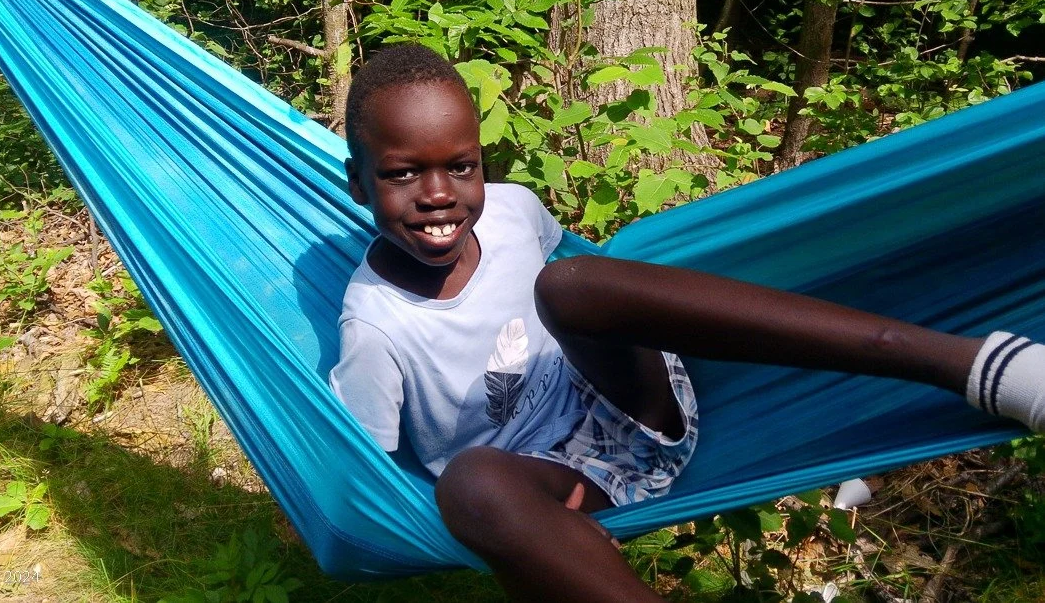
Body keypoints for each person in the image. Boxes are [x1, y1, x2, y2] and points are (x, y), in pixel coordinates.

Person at [328, 43, 1044, 603]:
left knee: (573, 281)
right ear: (358, 183)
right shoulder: (376, 329)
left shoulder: (513, 212)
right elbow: (372, 487)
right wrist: (523, 535)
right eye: (400, 175)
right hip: (545, 488)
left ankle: (972, 364)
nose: (438, 195)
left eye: (462, 167)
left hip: (634, 408)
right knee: (471, 481)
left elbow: (593, 301)